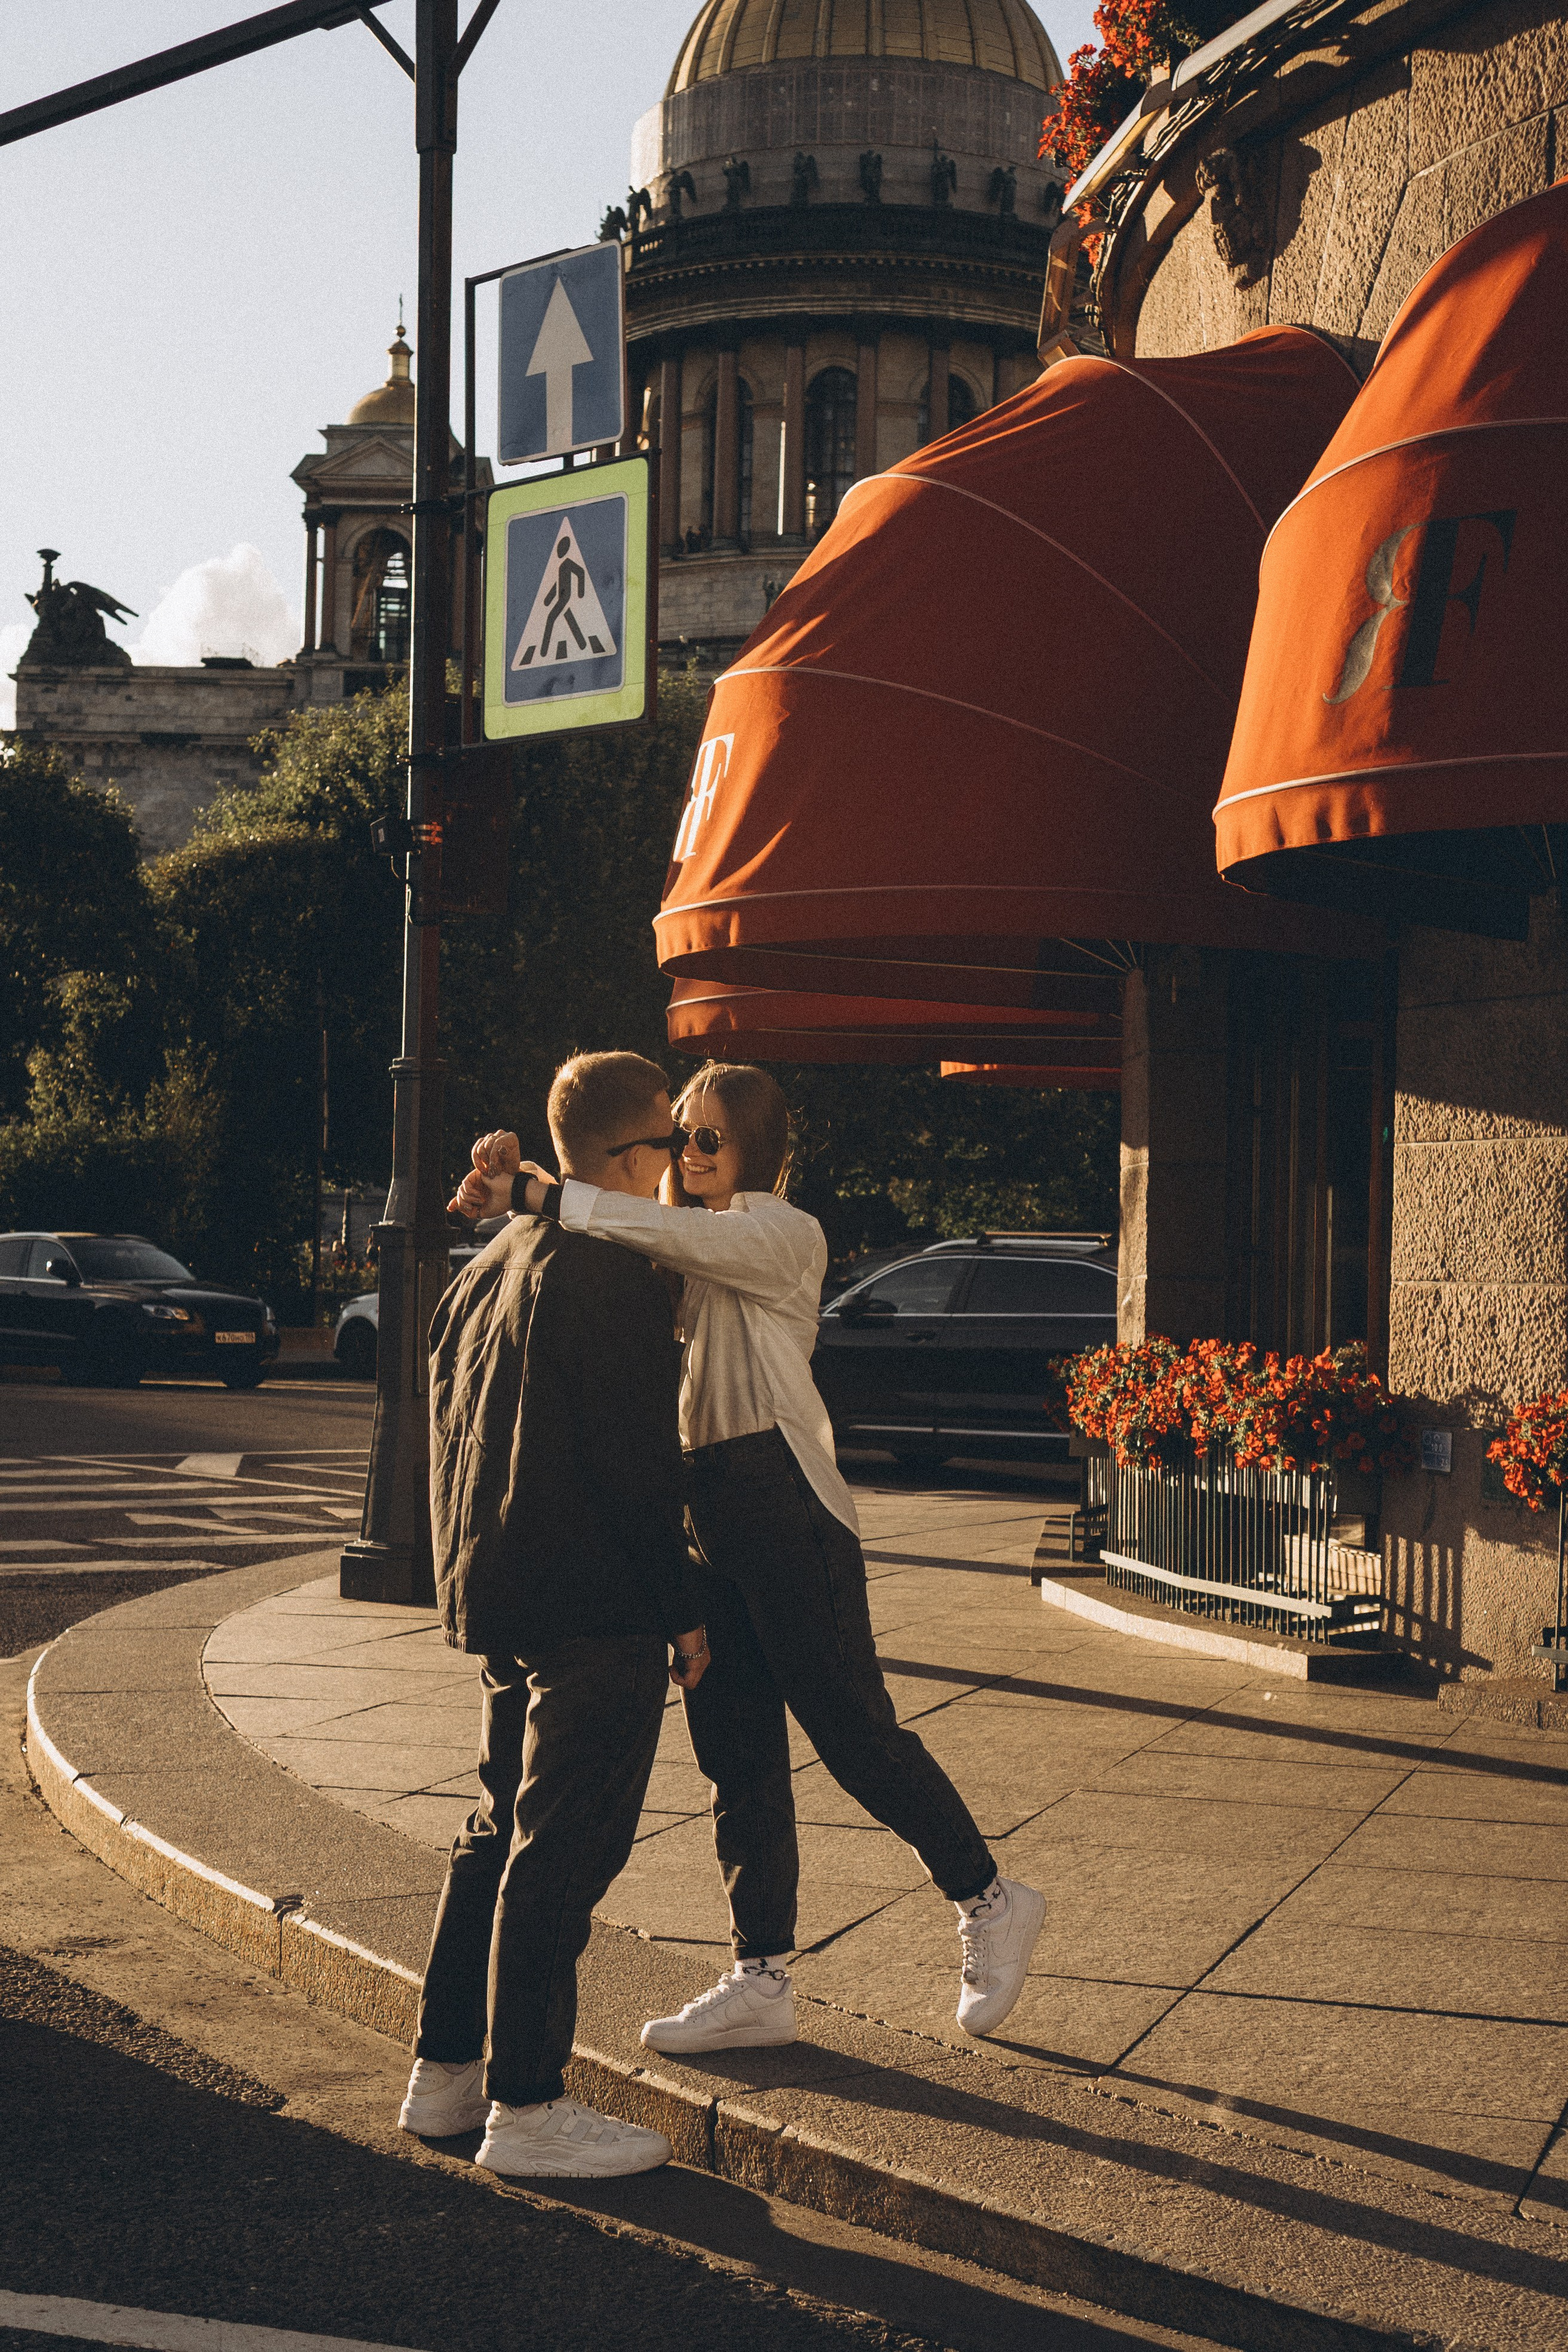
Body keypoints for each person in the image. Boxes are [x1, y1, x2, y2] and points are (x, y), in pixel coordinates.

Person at [453, 1060, 1046, 2057]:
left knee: (854, 1732)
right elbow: (605, 1246)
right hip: (707, 1512)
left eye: (708, 1138)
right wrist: (494, 1196)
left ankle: (989, 1897)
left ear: (756, 1153)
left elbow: (657, 1226)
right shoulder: (676, 1245)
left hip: (785, 1506)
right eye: (679, 1133)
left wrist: (549, 1192)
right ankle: (760, 1976)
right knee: (737, 1759)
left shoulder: (778, 1231)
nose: (686, 1151)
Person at [401, 1051, 710, 2178]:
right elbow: (639, 1470)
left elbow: (446, 1433)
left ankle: (445, 2074)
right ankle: (527, 2105)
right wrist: (682, 1612)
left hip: (505, 1595)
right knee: (560, 1855)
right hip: (596, 1603)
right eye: (671, 1148)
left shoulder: (497, 1261)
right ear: (630, 1157)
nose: (679, 1169)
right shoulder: (616, 1275)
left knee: (494, 1833)